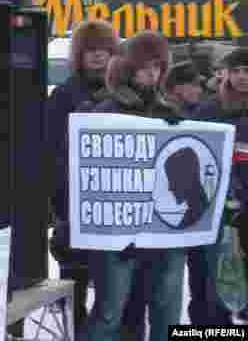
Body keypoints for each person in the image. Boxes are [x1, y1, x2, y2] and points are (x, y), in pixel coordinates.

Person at [83, 31, 186, 341]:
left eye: (157, 66)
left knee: (166, 311)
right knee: (110, 313)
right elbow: (87, 171)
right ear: (128, 67)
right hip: (118, 232)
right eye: (143, 66)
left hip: (162, 230)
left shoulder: (171, 111)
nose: (151, 73)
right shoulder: (106, 110)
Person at [46, 20, 120, 331]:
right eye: (91, 50)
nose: (98, 55)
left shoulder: (124, 94)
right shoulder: (63, 95)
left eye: (104, 49)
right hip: (73, 206)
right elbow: (50, 151)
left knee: (113, 294)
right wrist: (59, 204)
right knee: (73, 288)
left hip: (115, 208)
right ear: (79, 54)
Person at [190, 47, 248, 323]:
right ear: (226, 74)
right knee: (209, 283)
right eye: (236, 71)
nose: (242, 76)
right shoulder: (209, 109)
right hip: (214, 211)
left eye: (247, 71)